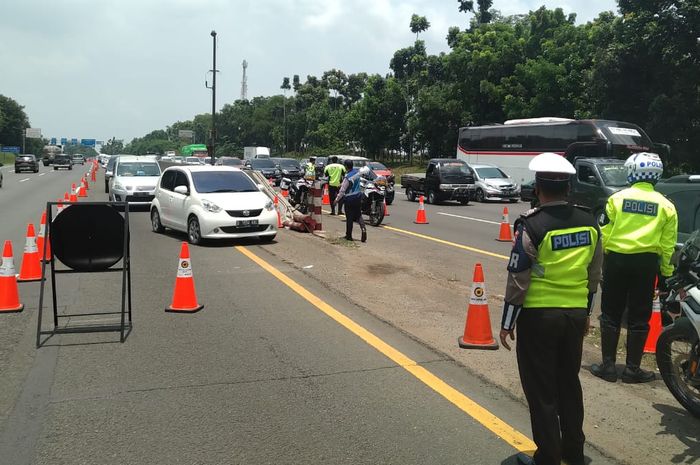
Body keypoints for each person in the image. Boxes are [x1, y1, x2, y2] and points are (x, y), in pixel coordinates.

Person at [500, 152, 603, 465]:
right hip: (573, 316)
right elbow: (593, 274)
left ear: (537, 188)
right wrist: (586, 314)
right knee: (569, 384)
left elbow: (519, 279)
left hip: (539, 318)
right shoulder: (590, 223)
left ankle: (548, 457)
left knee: (542, 390)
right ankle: (574, 453)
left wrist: (507, 323)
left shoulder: (532, 226)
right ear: (569, 188)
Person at [591, 152, 678, 384]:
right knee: (640, 316)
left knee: (611, 312)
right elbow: (667, 247)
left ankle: (608, 366)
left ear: (631, 173)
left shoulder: (616, 199)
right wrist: (666, 274)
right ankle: (632, 369)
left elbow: (604, 235)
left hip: (617, 261)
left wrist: (603, 261)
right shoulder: (667, 206)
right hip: (646, 264)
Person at [334, 159, 367, 242]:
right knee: (358, 215)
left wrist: (336, 200)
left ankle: (349, 236)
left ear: (346, 166)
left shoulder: (347, 176)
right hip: (358, 196)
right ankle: (363, 229)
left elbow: (342, 190)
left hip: (349, 198)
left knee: (349, 217)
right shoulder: (357, 172)